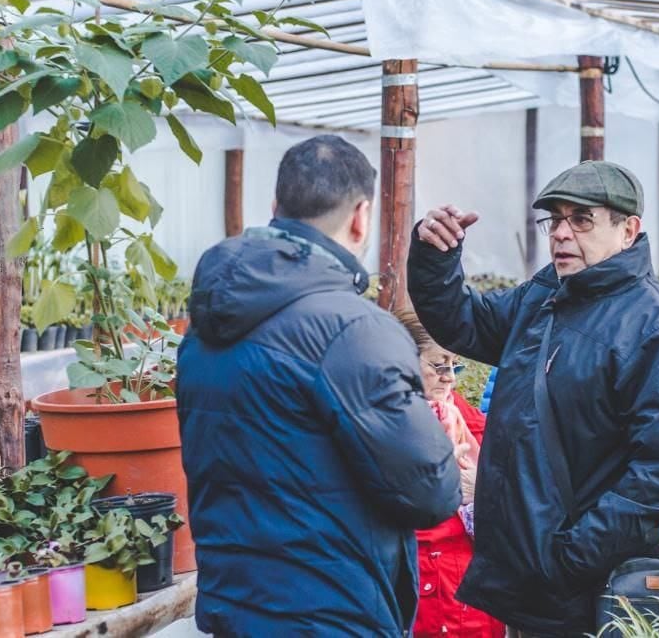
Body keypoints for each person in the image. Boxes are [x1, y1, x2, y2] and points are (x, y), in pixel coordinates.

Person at [177, 135, 462, 637]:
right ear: (361, 216)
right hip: (328, 613)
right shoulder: (355, 331)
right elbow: (430, 493)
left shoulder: (203, 329)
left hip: (233, 604)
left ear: (275, 208)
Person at [407, 160, 659, 636]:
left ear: (628, 231)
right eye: (555, 220)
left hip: (585, 590)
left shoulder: (654, 330)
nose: (562, 234)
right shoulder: (550, 292)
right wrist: (434, 257)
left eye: (582, 219)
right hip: (532, 581)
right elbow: (466, 322)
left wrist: (567, 556)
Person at [394, 309, 506, 638]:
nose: (450, 378)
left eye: (455, 366)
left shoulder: (475, 427)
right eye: (439, 365)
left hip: (472, 598)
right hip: (424, 597)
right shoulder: (384, 429)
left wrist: (481, 493)